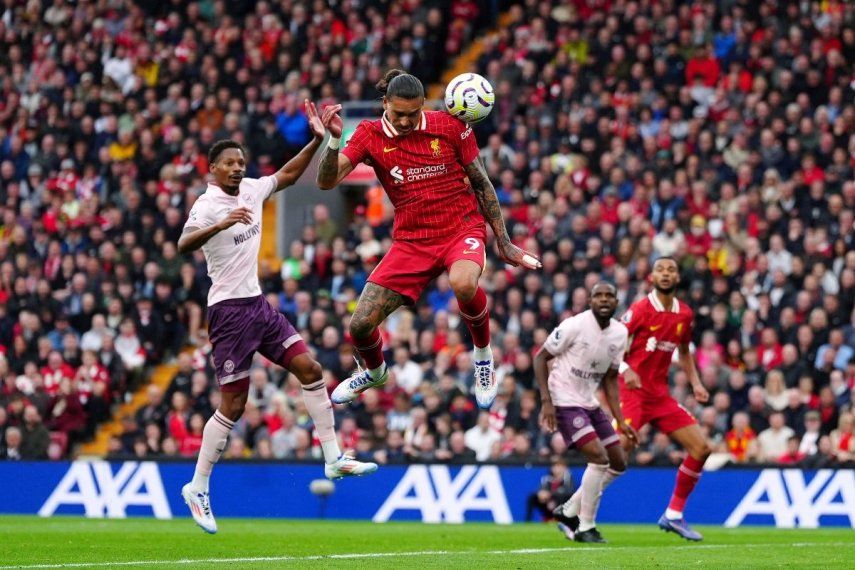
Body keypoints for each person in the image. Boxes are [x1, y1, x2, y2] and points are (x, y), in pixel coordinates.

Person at [177, 104, 377, 534]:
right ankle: (197, 486)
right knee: (234, 404)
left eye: (241, 163)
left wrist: (322, 138)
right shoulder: (207, 205)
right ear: (212, 168)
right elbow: (182, 245)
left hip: (257, 305)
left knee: (310, 368)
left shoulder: (251, 188)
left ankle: (333, 458)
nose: (237, 168)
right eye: (229, 163)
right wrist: (221, 223)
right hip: (228, 311)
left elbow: (286, 175)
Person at [316, 69, 540, 409]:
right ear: (385, 103)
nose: (406, 121)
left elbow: (481, 182)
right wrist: (333, 142)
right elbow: (326, 182)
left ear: (423, 105)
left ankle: (482, 355)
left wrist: (503, 240)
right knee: (360, 325)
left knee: (463, 284)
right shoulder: (368, 134)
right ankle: (375, 372)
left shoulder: (449, 126)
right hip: (412, 242)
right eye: (398, 113)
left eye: (413, 113)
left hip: (460, 228)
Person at [535, 282, 638, 543]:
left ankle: (569, 509)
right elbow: (540, 357)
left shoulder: (620, 333)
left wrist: (620, 420)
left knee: (618, 462)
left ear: (617, 301)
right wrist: (546, 401)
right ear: (590, 300)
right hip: (563, 398)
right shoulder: (574, 325)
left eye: (609, 296)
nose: (604, 300)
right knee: (599, 458)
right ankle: (585, 526)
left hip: (588, 400)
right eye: (598, 295)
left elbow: (611, 380)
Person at [618, 257, 711, 541]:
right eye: (661, 269)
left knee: (702, 448)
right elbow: (612, 347)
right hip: (632, 391)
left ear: (678, 278)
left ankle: (673, 515)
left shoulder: (684, 314)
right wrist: (626, 369)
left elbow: (683, 352)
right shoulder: (639, 310)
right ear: (652, 277)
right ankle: (575, 510)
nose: (666, 274)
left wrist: (695, 383)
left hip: (660, 396)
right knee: (616, 453)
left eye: (671, 269)